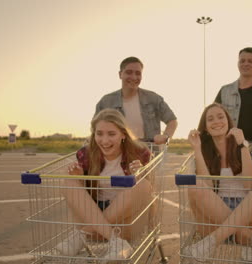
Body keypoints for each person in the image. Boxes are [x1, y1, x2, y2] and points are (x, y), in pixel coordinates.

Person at [185, 103, 252, 262]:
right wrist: (196, 148)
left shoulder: (244, 147)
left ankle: (211, 242)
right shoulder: (204, 151)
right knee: (195, 184)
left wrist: (242, 145)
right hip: (214, 213)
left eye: (221, 117)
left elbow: (250, 185)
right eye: (210, 119)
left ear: (228, 122)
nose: (216, 121)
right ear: (206, 128)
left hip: (248, 211)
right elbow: (207, 187)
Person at [56, 109, 152, 260]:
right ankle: (116, 242)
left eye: (111, 134)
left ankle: (82, 235)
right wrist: (79, 177)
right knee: (69, 181)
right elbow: (83, 194)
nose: (104, 141)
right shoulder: (86, 154)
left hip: (125, 224)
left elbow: (150, 192)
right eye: (99, 133)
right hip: (94, 216)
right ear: (94, 134)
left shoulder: (139, 153)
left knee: (143, 184)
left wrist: (140, 173)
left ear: (123, 134)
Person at [95, 56, 178, 144]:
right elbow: (95, 129)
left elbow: (172, 120)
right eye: (129, 72)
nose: (134, 77)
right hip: (118, 152)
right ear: (120, 74)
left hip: (149, 152)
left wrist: (166, 136)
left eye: (138, 73)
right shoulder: (106, 102)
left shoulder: (153, 99)